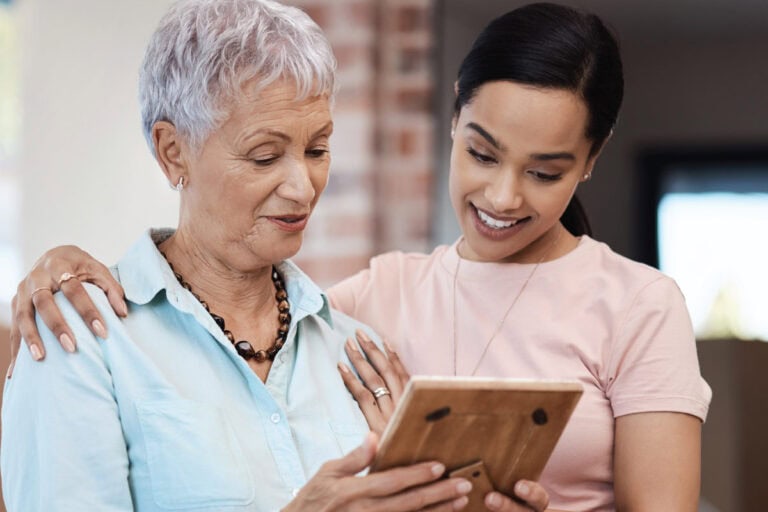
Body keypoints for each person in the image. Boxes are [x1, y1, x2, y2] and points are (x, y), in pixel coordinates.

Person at [6, 2, 710, 511]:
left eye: (317, 149)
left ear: (591, 161)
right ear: (172, 151)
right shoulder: (86, 337)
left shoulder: (348, 342)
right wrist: (52, 269)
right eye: (264, 154)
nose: (303, 184)